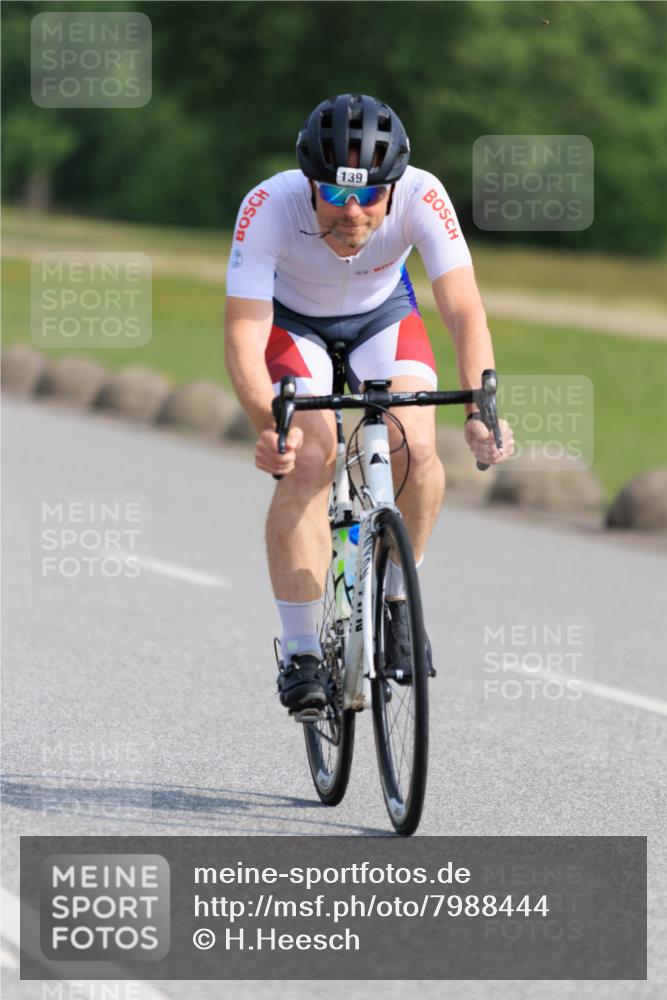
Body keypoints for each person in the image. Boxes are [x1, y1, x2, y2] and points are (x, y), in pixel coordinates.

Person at [224, 93, 514, 713]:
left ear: (395, 185)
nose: (351, 212)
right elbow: (244, 336)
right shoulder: (267, 206)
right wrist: (266, 425)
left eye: (369, 196)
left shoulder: (423, 195)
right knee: (312, 454)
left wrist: (480, 408)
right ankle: (301, 651)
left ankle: (398, 601)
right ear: (309, 183)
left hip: (383, 316)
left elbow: (464, 311)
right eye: (333, 195)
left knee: (419, 446)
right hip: (292, 323)